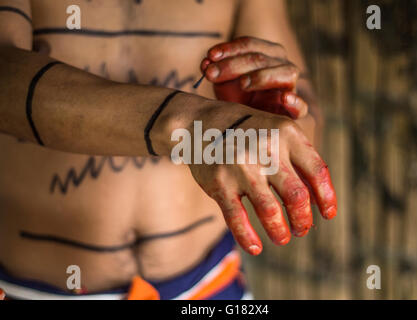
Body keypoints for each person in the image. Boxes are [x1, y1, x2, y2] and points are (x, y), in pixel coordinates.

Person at [0, 0, 337, 300]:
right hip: (34, 289)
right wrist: (189, 124)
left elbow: (305, 119)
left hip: (206, 288)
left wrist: (275, 112)